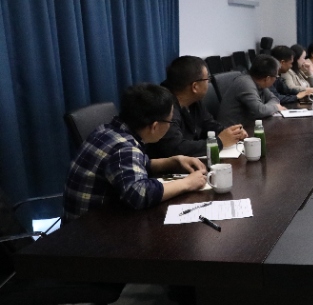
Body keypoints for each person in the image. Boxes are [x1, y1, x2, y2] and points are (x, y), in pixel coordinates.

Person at [63, 84, 207, 221]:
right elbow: (140, 194)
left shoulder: (107, 130)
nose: (170, 127)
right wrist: (187, 183)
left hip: (82, 223)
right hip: (89, 229)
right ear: (155, 126)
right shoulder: (125, 147)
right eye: (170, 122)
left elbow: (133, 164)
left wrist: (172, 161)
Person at [147, 56, 247, 159]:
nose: (208, 83)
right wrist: (219, 142)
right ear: (195, 87)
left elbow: (209, 124)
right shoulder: (165, 107)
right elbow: (176, 148)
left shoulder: (194, 101)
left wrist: (233, 133)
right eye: (207, 79)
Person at [217, 54, 285, 126]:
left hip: (247, 125)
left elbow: (275, 99)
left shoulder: (260, 82)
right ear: (267, 78)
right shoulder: (245, 83)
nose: (276, 79)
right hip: (232, 129)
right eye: (276, 77)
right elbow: (260, 111)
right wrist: (276, 107)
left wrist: (267, 108)